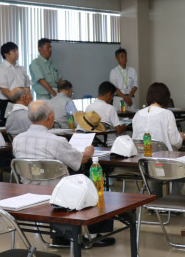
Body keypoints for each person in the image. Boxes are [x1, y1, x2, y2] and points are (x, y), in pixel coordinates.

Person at [13, 101, 113, 247]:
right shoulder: (56, 141)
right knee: (91, 178)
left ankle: (61, 235)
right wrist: (88, 151)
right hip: (57, 194)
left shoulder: (17, 140)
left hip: (27, 190)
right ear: (50, 117)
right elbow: (80, 160)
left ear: (29, 117)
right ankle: (94, 232)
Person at [131, 82, 183, 150]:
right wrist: (181, 137)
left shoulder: (137, 114)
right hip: (162, 158)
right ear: (166, 98)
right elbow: (175, 142)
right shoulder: (167, 114)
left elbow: (135, 139)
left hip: (139, 158)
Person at [0, 41, 31, 116]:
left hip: (23, 101)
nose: (17, 52)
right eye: (14, 51)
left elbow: (27, 86)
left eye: (17, 50)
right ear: (6, 54)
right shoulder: (1, 69)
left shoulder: (21, 68)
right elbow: (4, 90)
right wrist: (18, 101)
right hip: (8, 102)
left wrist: (27, 99)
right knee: (9, 125)